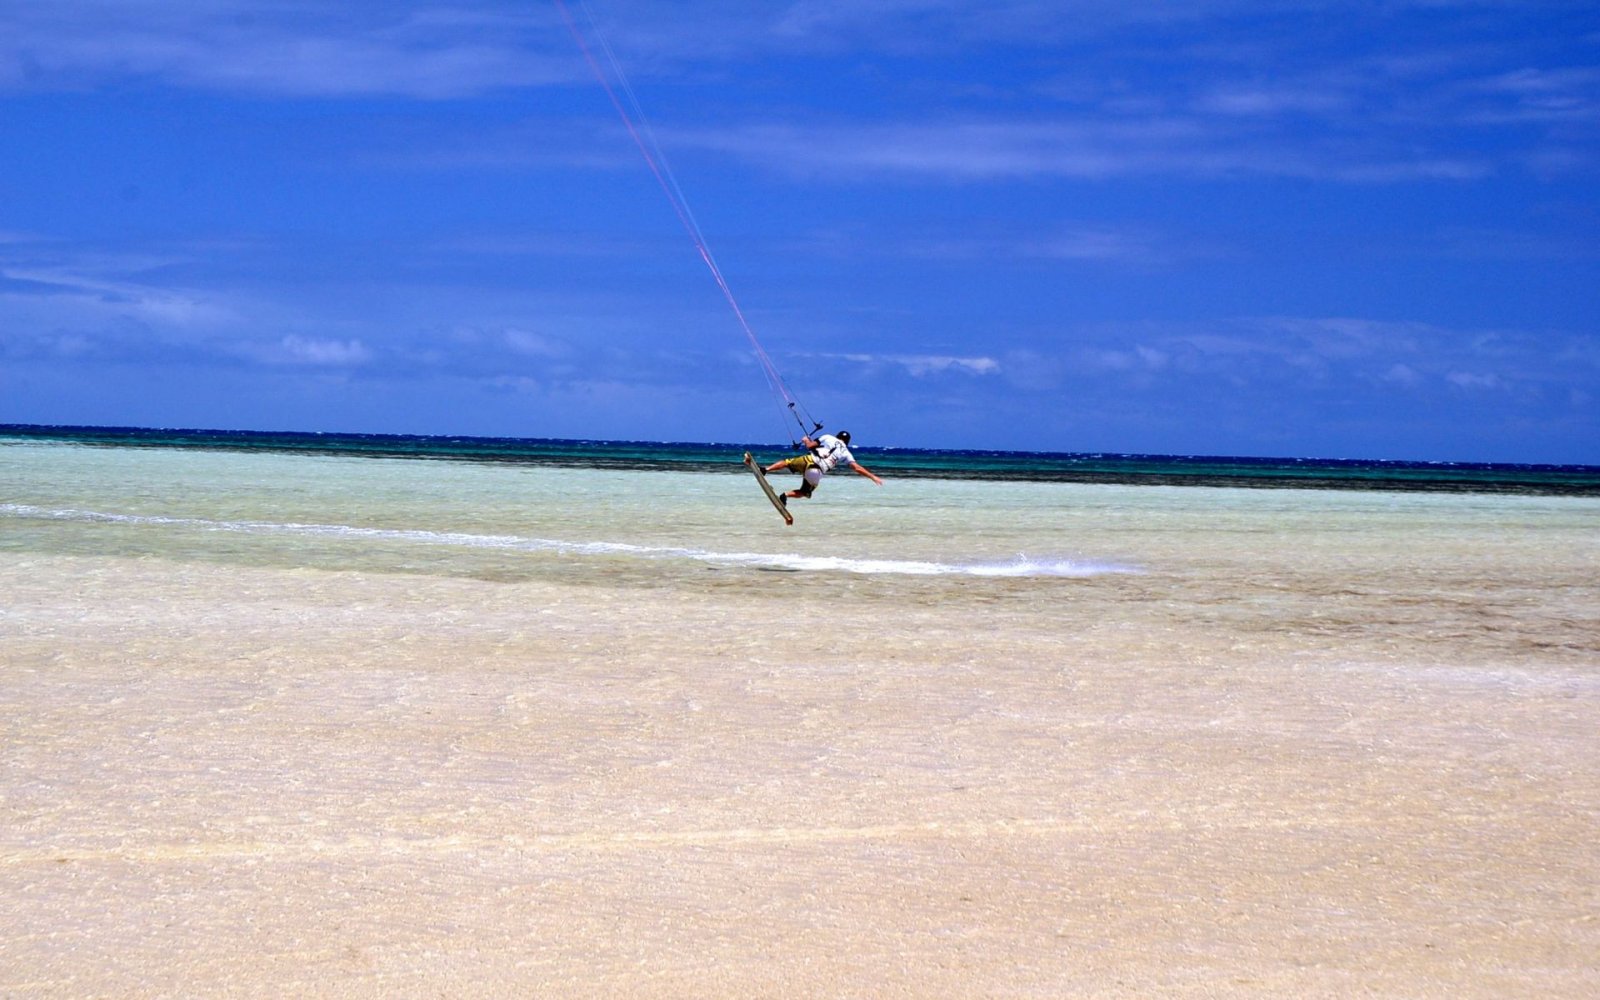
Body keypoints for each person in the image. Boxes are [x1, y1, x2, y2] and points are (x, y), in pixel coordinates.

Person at [765, 430, 884, 501]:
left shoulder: (828, 437)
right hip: (817, 472)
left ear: (837, 436)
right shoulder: (846, 452)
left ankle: (766, 469)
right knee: (805, 492)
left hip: (808, 460)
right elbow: (857, 468)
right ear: (847, 442)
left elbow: (810, 446)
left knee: (787, 462)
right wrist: (873, 477)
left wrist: (805, 440)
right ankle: (785, 495)